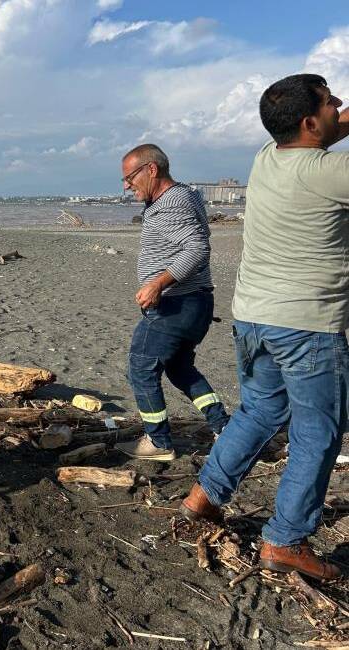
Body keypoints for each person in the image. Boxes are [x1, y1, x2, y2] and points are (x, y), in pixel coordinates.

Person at [180, 74, 349, 580]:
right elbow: (329, 142)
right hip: (307, 326)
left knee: (259, 410)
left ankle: (203, 497)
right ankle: (284, 541)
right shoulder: (331, 172)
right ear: (309, 121)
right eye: (330, 100)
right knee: (318, 433)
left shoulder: (266, 156)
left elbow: (324, 134)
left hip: (253, 317)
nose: (339, 104)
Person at [115, 144, 230, 461]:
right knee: (180, 368)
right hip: (196, 304)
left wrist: (157, 283)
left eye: (129, 177)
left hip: (176, 306)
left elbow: (197, 249)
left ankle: (158, 442)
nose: (126, 185)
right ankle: (223, 426)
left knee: (141, 368)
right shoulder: (184, 195)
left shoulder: (172, 202)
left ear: (151, 169)